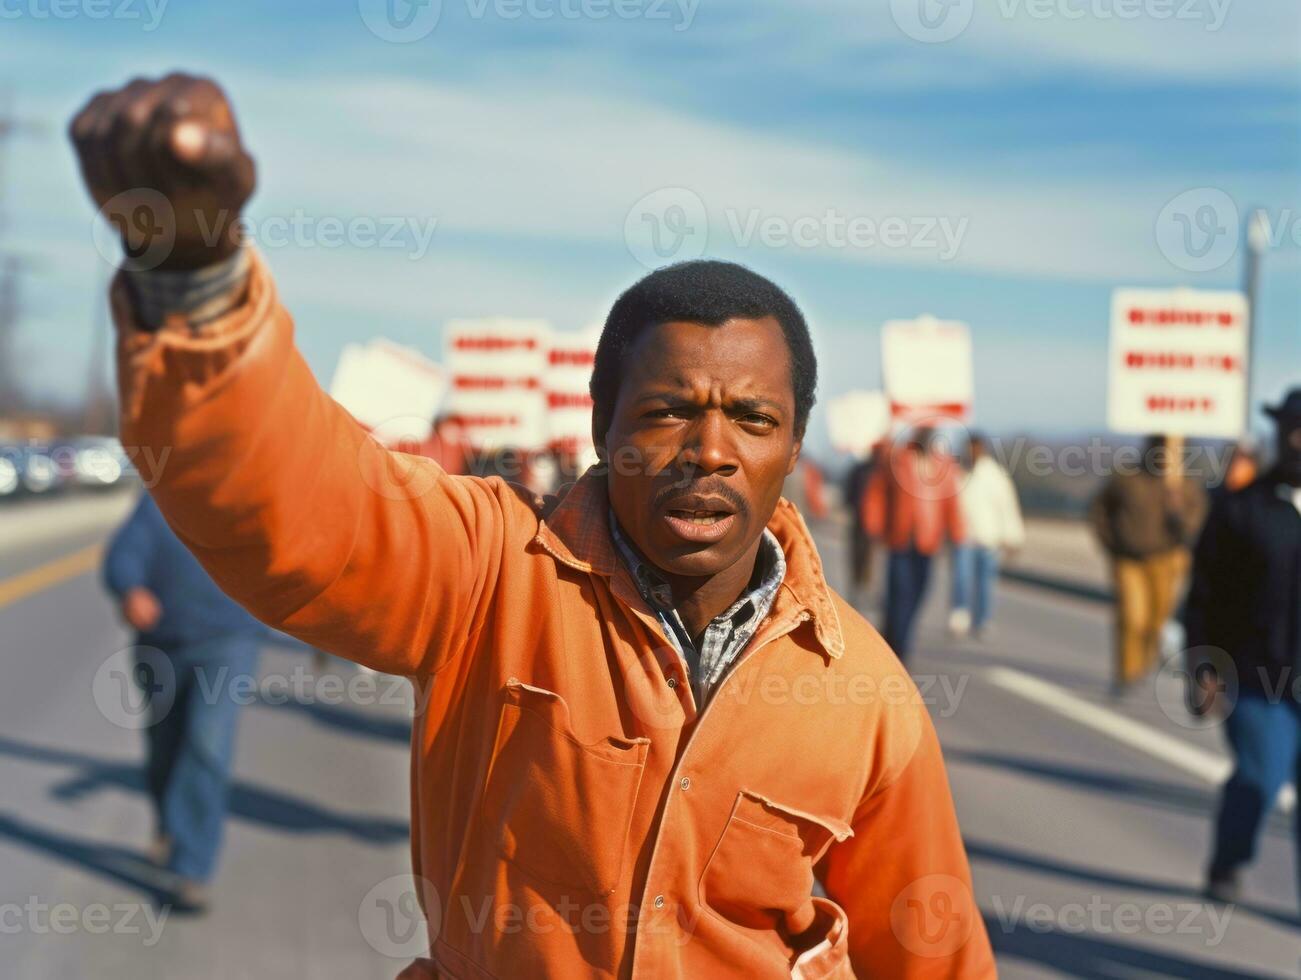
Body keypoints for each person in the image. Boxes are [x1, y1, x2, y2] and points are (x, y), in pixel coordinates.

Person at [71, 75, 994, 979]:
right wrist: (193, 282)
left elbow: (930, 946)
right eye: (666, 411)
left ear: (793, 446)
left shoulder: (866, 697)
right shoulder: (488, 573)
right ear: (601, 428)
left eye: (751, 420)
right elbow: (295, 501)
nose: (707, 451)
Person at [102, 492, 263, 914]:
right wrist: (130, 588)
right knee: (165, 746)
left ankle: (191, 869)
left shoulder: (249, 498)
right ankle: (170, 823)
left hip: (228, 643)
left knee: (207, 745)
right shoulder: (160, 498)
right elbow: (123, 554)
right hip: (161, 647)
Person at [1184, 389, 1301, 906]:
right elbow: (1206, 595)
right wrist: (1204, 666)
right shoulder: (1241, 509)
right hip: (1257, 676)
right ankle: (1229, 858)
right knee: (1260, 776)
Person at [1089, 435, 1208, 695]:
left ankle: (1144, 662)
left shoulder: (1181, 485)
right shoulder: (1126, 479)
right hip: (1128, 559)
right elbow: (1099, 510)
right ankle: (1127, 672)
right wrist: (1111, 542)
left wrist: (1178, 513)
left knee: (1157, 619)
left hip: (1164, 560)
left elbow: (1196, 519)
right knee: (1133, 616)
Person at [863, 426, 966, 660]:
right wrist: (874, 525)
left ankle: (896, 639)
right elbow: (877, 492)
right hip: (901, 539)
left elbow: (952, 501)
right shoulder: (898, 460)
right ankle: (898, 648)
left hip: (927, 541)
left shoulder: (944, 465)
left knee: (919, 593)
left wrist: (958, 533)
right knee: (899, 593)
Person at [948, 434, 1023, 639]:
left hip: (989, 537)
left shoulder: (995, 475)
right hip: (964, 536)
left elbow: (1007, 506)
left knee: (986, 581)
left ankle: (983, 620)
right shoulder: (957, 473)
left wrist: (1013, 537)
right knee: (962, 578)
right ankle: (960, 614)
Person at [841, 449, 878, 608]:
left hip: (868, 522)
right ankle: (858, 589)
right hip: (862, 521)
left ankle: (860, 589)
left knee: (864, 558)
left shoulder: (869, 471)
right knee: (862, 557)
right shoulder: (873, 472)